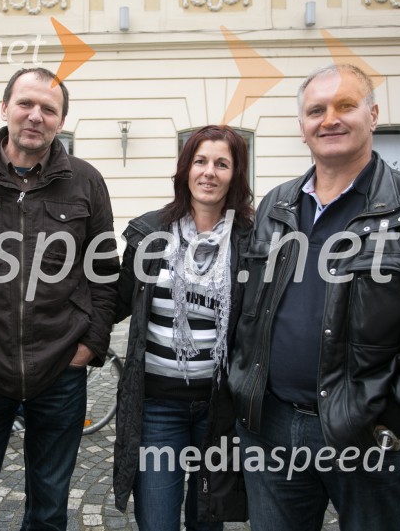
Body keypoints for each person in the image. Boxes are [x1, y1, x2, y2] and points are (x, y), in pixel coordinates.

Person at [228, 63, 400, 530]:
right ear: (302, 128)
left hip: (371, 439)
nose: (329, 119)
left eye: (345, 106)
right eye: (316, 110)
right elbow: (249, 317)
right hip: (270, 433)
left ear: (372, 114)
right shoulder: (277, 206)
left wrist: (393, 417)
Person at [0, 67, 119, 530]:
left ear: (61, 120)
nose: (35, 116)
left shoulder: (86, 182)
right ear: (5, 108)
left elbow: (105, 274)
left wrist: (88, 346)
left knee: (50, 508)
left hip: (60, 372)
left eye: (48, 109)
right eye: (26, 104)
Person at [113, 125, 252, 530]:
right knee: (157, 520)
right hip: (157, 407)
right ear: (185, 170)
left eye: (221, 164)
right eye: (200, 161)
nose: (209, 172)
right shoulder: (150, 234)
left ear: (235, 174)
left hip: (219, 407)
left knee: (207, 519)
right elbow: (116, 301)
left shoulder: (254, 240)